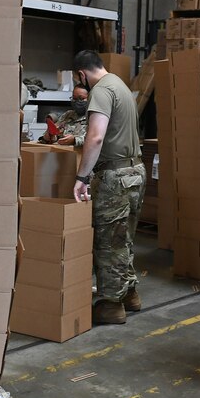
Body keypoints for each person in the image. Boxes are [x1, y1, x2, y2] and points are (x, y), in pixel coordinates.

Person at [71, 50, 146, 325]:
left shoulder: (101, 91)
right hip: (136, 171)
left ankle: (110, 305)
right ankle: (130, 294)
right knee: (123, 238)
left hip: (115, 176)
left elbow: (96, 135)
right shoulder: (121, 85)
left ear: (81, 74)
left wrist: (82, 177)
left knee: (108, 242)